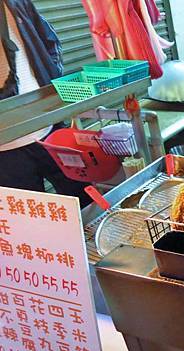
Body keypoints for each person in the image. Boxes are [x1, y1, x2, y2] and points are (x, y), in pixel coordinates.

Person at [0, 0, 91, 207]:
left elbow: (50, 41)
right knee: (33, 222)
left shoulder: (17, 3)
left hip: (48, 128)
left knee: (83, 200)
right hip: (6, 149)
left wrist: (53, 90)